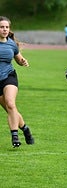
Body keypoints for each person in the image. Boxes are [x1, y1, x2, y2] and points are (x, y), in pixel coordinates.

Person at [0, 16, 34, 147]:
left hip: (9, 76)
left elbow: (19, 59)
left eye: (6, 27)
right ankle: (25, 129)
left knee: (10, 103)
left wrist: (22, 61)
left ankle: (15, 136)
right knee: (11, 111)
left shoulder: (11, 44)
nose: (4, 29)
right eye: (2, 27)